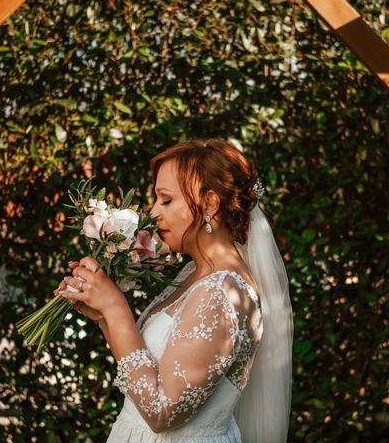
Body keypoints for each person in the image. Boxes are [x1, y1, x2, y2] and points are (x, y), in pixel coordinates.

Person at [55, 139, 293, 442]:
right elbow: (145, 366)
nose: (153, 213)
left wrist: (116, 309)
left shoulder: (223, 294)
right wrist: (103, 314)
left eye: (166, 200)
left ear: (209, 204)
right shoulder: (195, 272)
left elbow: (163, 411)